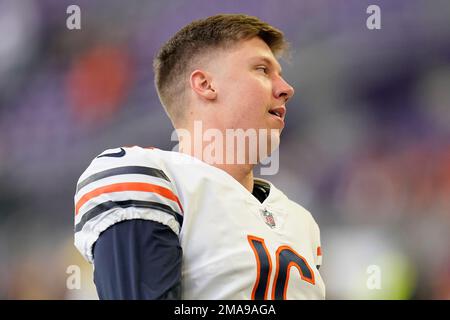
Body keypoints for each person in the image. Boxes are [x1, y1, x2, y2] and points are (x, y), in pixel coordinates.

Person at [73, 14, 325, 300]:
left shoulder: (300, 222)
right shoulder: (143, 174)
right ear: (205, 84)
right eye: (262, 70)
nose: (286, 88)